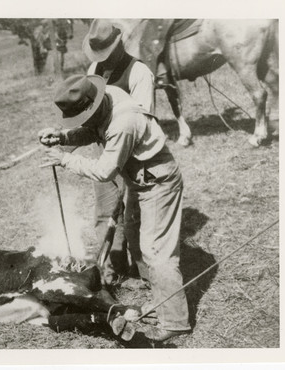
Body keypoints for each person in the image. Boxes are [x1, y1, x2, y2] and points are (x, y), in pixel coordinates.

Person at [38, 75, 190, 341]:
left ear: (93, 107)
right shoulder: (103, 98)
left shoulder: (124, 121)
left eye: (82, 117)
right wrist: (63, 136)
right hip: (139, 177)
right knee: (135, 233)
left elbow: (105, 171)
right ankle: (161, 301)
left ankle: (175, 321)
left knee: (156, 251)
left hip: (158, 181)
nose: (82, 123)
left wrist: (65, 159)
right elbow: (93, 130)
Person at [82, 19, 155, 284]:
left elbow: (144, 124)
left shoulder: (139, 73)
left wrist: (124, 165)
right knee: (104, 213)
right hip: (105, 151)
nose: (104, 59)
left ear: (119, 42)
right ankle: (111, 272)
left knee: (133, 217)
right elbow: (89, 115)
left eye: (108, 52)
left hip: (133, 156)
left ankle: (145, 274)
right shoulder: (94, 69)